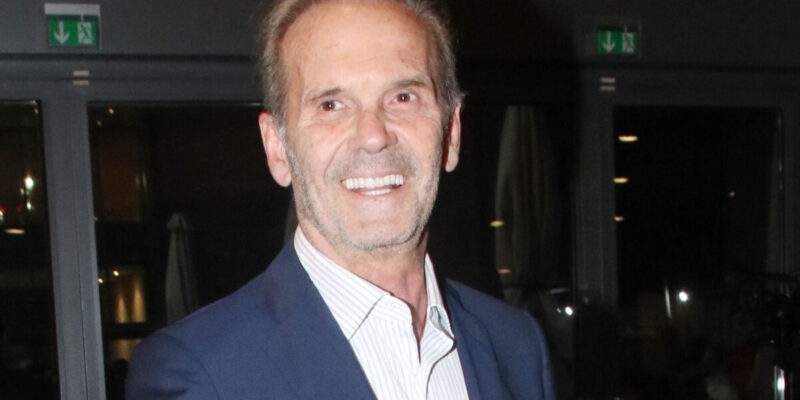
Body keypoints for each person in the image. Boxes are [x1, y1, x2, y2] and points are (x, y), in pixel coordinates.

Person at [126, 0, 555, 399]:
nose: (373, 135)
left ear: (452, 134)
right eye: (331, 105)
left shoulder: (516, 346)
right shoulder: (203, 372)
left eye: (403, 97)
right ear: (277, 148)